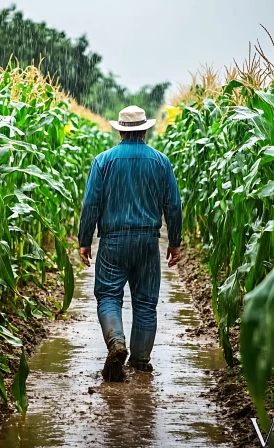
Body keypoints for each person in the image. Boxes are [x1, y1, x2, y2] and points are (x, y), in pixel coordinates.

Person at [77, 105, 183, 381]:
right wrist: (175, 242)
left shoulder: (103, 161)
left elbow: (90, 204)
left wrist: (84, 240)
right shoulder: (161, 162)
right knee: (146, 303)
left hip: (113, 241)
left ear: (120, 130)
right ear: (144, 129)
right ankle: (140, 363)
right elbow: (173, 205)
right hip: (148, 241)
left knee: (109, 296)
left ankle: (116, 342)